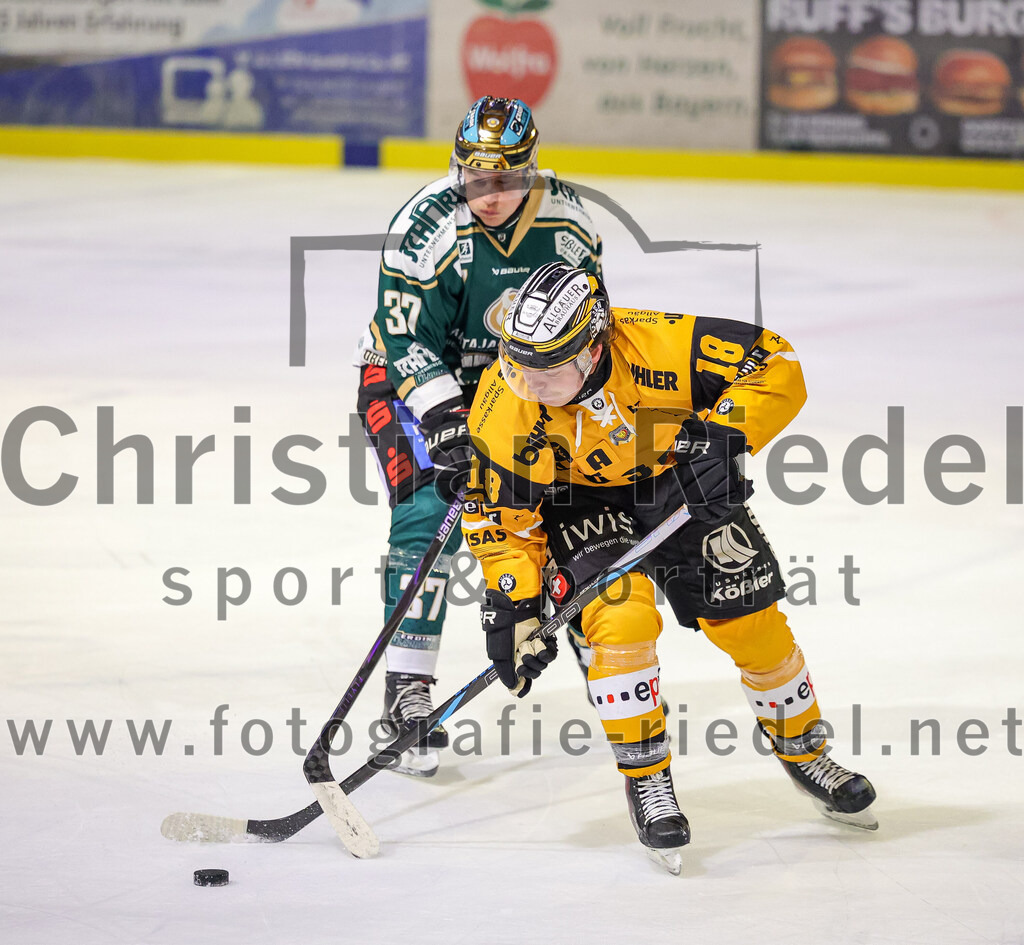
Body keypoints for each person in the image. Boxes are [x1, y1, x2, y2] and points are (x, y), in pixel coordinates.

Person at [461, 261, 877, 868]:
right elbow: (505, 520)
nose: (527, 384)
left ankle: (804, 747)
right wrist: (514, 604)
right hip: (579, 502)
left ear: (594, 347)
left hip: (678, 481)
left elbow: (776, 361)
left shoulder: (660, 343)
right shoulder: (505, 410)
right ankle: (646, 777)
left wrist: (724, 437)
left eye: (547, 371)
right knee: (622, 622)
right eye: (517, 365)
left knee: (751, 624)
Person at [355, 97, 603, 775]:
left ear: (530, 167)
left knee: (566, 511)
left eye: (505, 179)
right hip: (407, 381)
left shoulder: (570, 224)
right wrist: (444, 419)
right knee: (428, 513)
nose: (487, 194)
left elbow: (588, 329)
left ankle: (599, 653)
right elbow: (404, 337)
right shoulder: (425, 225)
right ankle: (405, 691)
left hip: (513, 392)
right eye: (474, 177)